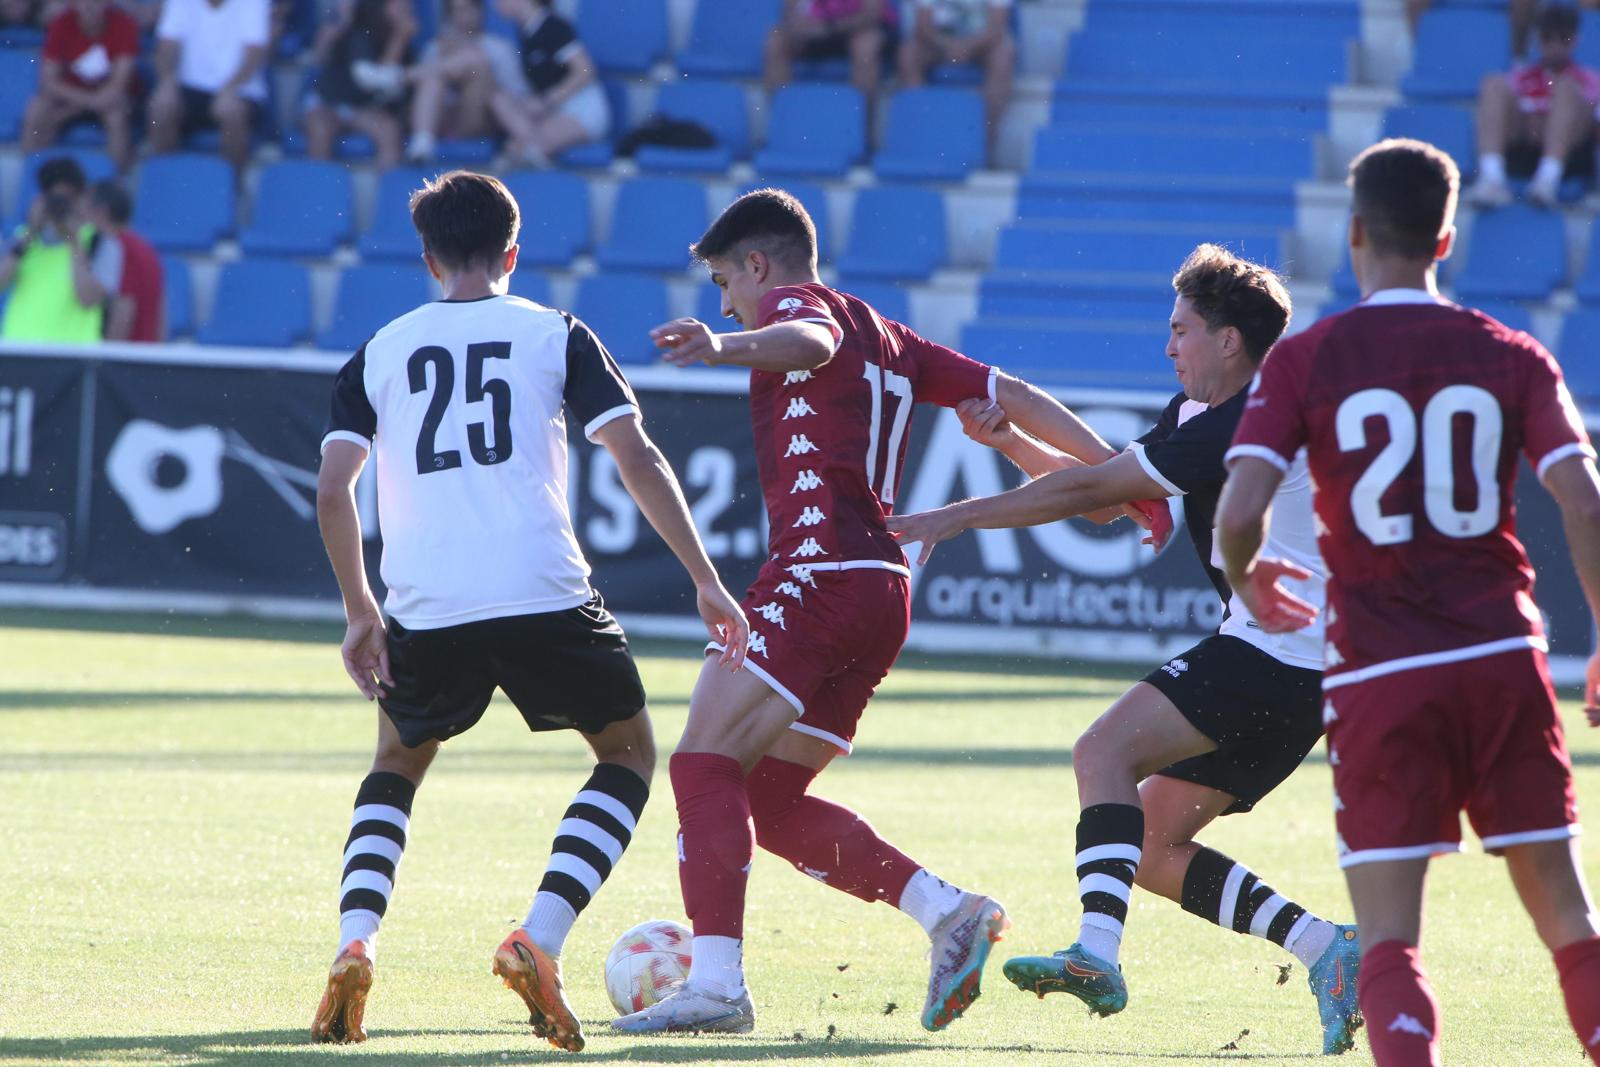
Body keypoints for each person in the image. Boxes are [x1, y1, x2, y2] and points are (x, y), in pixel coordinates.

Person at [610, 188, 1147, 1036]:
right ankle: (948, 913)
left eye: (724, 283)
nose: (726, 304)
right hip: (879, 591)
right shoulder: (892, 337)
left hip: (819, 574)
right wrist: (1116, 467)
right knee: (768, 799)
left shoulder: (796, 309)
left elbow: (809, 340)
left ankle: (714, 985)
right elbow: (1013, 390)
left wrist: (723, 346)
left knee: (704, 763)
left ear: (758, 265)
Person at [887, 245, 1364, 1056]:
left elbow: (1092, 489)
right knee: (1147, 846)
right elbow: (1111, 496)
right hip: (1304, 669)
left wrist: (952, 516)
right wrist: (1011, 441)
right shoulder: (1204, 415)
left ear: (1229, 341)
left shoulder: (1250, 419)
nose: (1168, 345)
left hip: (1277, 652)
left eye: (1181, 329)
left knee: (1102, 750)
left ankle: (1095, 954)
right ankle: (1328, 948)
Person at [310, 170, 749, 1051]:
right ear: (514, 252)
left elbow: (332, 490)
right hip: (543, 591)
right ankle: (538, 937)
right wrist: (704, 577)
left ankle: (357, 940)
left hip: (426, 601)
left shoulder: (382, 350)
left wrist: (361, 609)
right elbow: (636, 455)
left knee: (397, 760)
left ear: (428, 258)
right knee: (627, 754)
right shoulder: (556, 333)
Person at [1216, 136, 1600, 1067]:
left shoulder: (1307, 358)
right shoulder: (1508, 352)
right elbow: (1584, 499)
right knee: (1567, 914)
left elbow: (1238, 512)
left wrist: (1247, 574)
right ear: (1446, 239)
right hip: (1500, 658)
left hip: (1380, 669)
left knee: (1391, 938)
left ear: (1355, 232)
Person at [1468, 1, 1599, 209]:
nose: (1555, 46)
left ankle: (1548, 179)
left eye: (1563, 38)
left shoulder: (1590, 79)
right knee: (1492, 84)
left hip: (1571, 151)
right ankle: (1492, 178)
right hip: (1524, 142)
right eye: (1547, 38)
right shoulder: (1520, 76)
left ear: (1575, 40)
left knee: (1566, 89)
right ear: (1538, 40)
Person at [0, 155, 113, 344]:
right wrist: (31, 231)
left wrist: (74, 240)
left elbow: (88, 299)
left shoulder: (98, 241)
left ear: (81, 198)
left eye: (67, 201)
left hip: (71, 352)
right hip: (19, 346)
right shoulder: (24, 238)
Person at [148, 0, 271, 172]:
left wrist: (230, 89)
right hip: (190, 89)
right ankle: (168, 178)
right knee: (161, 108)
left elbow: (253, 56)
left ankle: (232, 182)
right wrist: (167, 82)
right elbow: (166, 48)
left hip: (241, 89)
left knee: (231, 112)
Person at [22, 0, 141, 171]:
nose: (89, 5)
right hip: (73, 96)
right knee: (36, 109)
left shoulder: (124, 24)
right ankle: (31, 172)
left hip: (108, 99)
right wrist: (86, 103)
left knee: (116, 117)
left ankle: (116, 177)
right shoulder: (61, 23)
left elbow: (118, 84)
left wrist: (70, 111)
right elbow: (48, 81)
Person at [404, 0, 527, 164]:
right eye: (457, 11)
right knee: (433, 78)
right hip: (442, 119)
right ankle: (422, 143)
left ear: (480, 12)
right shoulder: (435, 48)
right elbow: (421, 94)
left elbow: (516, 95)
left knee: (477, 62)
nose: (464, 16)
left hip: (479, 119)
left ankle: (399, 76)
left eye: (468, 9)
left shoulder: (500, 48)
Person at [488, 0, 608, 167]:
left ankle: (534, 154)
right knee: (500, 103)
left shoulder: (553, 26)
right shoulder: (524, 32)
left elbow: (585, 71)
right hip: (553, 111)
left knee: (524, 150)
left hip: (582, 108)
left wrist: (546, 102)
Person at [896, 0, 1015, 163]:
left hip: (981, 45)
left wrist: (966, 46)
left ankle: (986, 142)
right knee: (909, 53)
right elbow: (923, 26)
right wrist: (947, 45)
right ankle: (919, 134)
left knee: (1003, 56)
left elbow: (996, 27)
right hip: (938, 44)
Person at [303, 0, 416, 169]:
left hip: (363, 108)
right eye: (398, 4)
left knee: (389, 131)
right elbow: (367, 78)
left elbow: (392, 87)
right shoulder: (360, 33)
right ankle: (317, 184)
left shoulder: (404, 41)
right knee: (320, 129)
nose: (406, 8)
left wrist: (401, 37)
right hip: (329, 102)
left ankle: (387, 185)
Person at [764, 0, 896, 104]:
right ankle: (783, 115)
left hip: (856, 30)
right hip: (815, 32)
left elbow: (872, 14)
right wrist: (801, 26)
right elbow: (789, 13)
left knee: (866, 46)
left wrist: (829, 27)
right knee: (776, 40)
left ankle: (861, 119)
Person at [87, 179, 163, 342]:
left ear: (101, 212)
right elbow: (162, 311)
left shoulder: (115, 247)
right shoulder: (146, 248)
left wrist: (109, 353)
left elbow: (123, 308)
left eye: (87, 208)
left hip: (127, 351)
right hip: (147, 349)